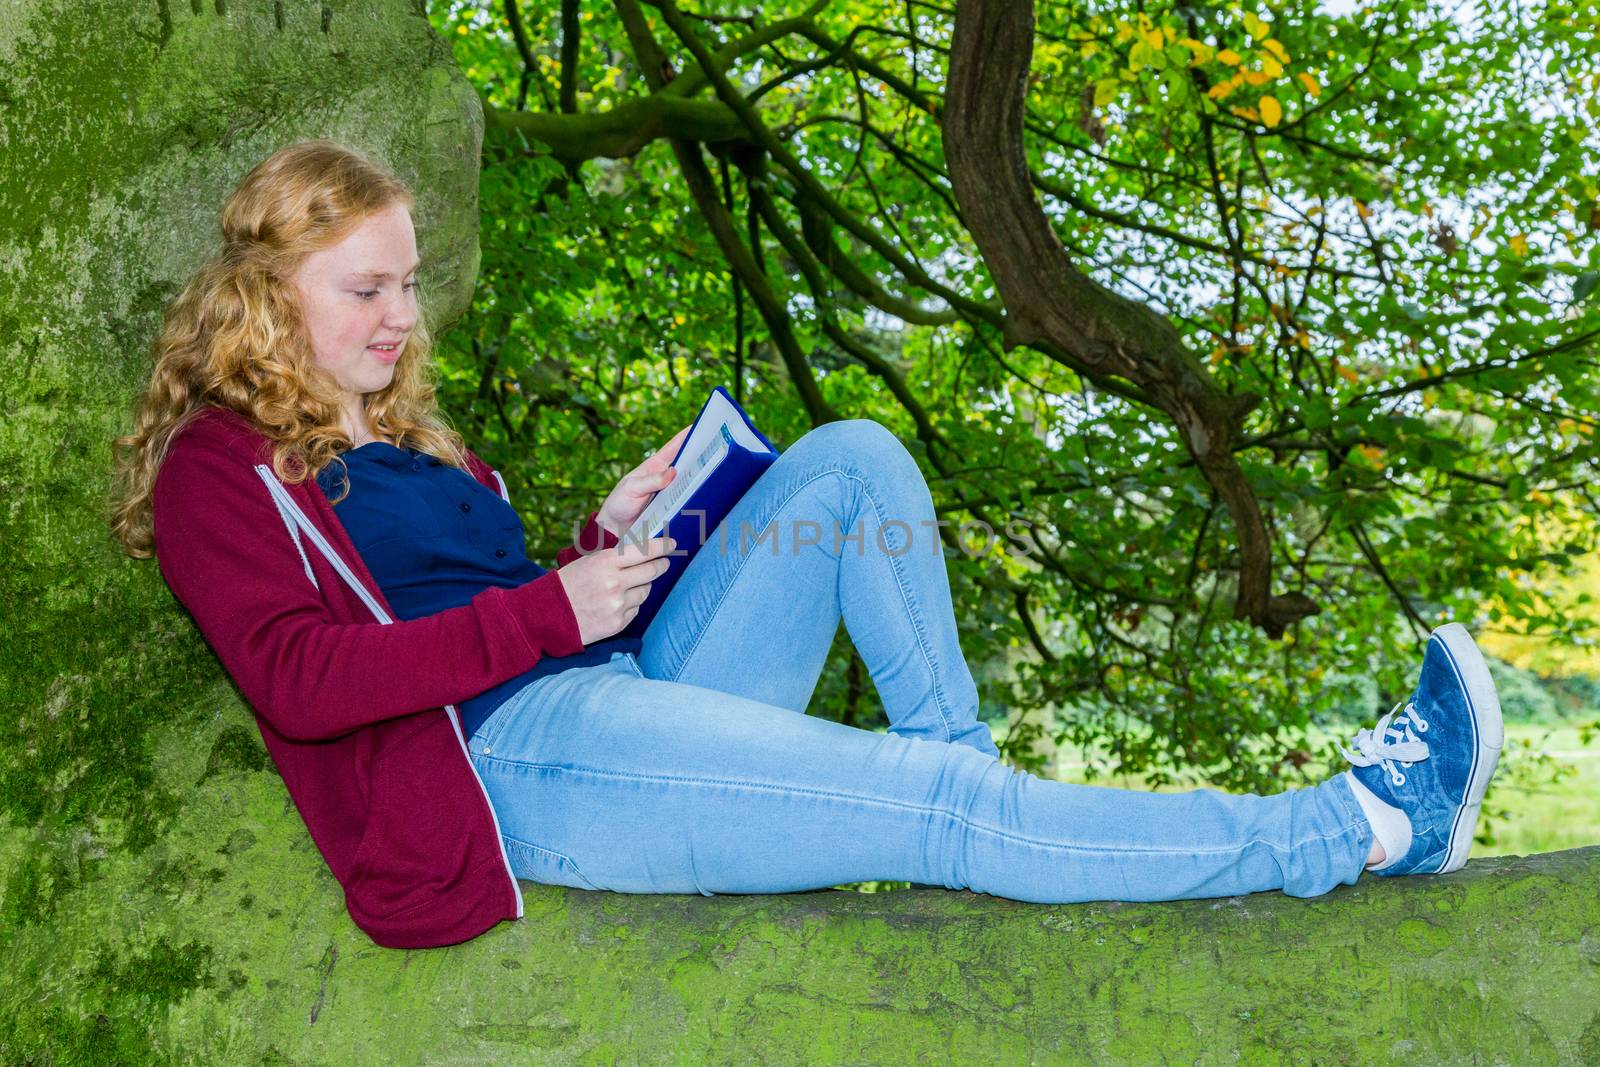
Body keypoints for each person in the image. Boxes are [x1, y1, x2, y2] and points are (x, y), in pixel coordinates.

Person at [110, 140, 1505, 950]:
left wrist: (610, 537)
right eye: (367, 287)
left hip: (610, 691)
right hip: (517, 764)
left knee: (850, 463)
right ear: (265, 298)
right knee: (944, 808)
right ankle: (1359, 828)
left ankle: (967, 798)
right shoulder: (219, 471)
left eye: (411, 283)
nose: (402, 316)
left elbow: (482, 598)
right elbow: (303, 680)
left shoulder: (404, 434)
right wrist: (555, 612)